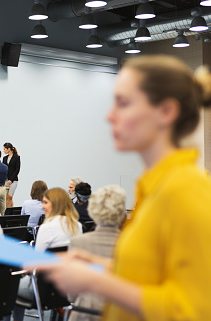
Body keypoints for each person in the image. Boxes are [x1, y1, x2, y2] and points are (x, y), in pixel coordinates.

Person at [28, 56, 211, 321]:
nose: (109, 115)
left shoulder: (185, 191)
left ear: (166, 111)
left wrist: (97, 282)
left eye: (123, 103)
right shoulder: (155, 188)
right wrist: (99, 266)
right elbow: (153, 276)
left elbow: (194, 310)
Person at [12, 188, 82, 321]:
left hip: (44, 289)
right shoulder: (77, 226)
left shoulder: (47, 228)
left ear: (55, 204)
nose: (42, 206)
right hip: (69, 287)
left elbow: (36, 264)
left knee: (10, 285)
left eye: (45, 203)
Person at [68, 185, 126, 321]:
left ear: (93, 210)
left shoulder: (78, 243)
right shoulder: (131, 246)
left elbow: (71, 295)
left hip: (86, 313)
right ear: (122, 213)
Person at [3, 142, 20, 208]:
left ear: (9, 149)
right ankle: (9, 210)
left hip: (13, 180)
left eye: (4, 149)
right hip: (5, 179)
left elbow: (17, 169)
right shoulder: (4, 158)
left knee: (10, 196)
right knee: (6, 197)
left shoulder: (17, 158)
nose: (4, 151)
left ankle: (7, 211)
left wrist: (11, 180)